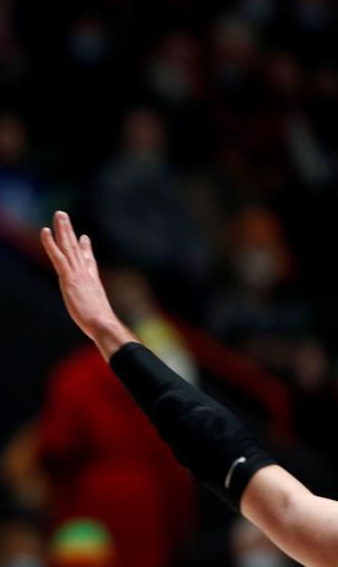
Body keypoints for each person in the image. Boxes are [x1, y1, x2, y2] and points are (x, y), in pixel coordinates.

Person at [41, 210, 338, 566]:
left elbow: (280, 504)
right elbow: (284, 507)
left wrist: (106, 327)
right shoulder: (80, 375)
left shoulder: (82, 372)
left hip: (145, 514)